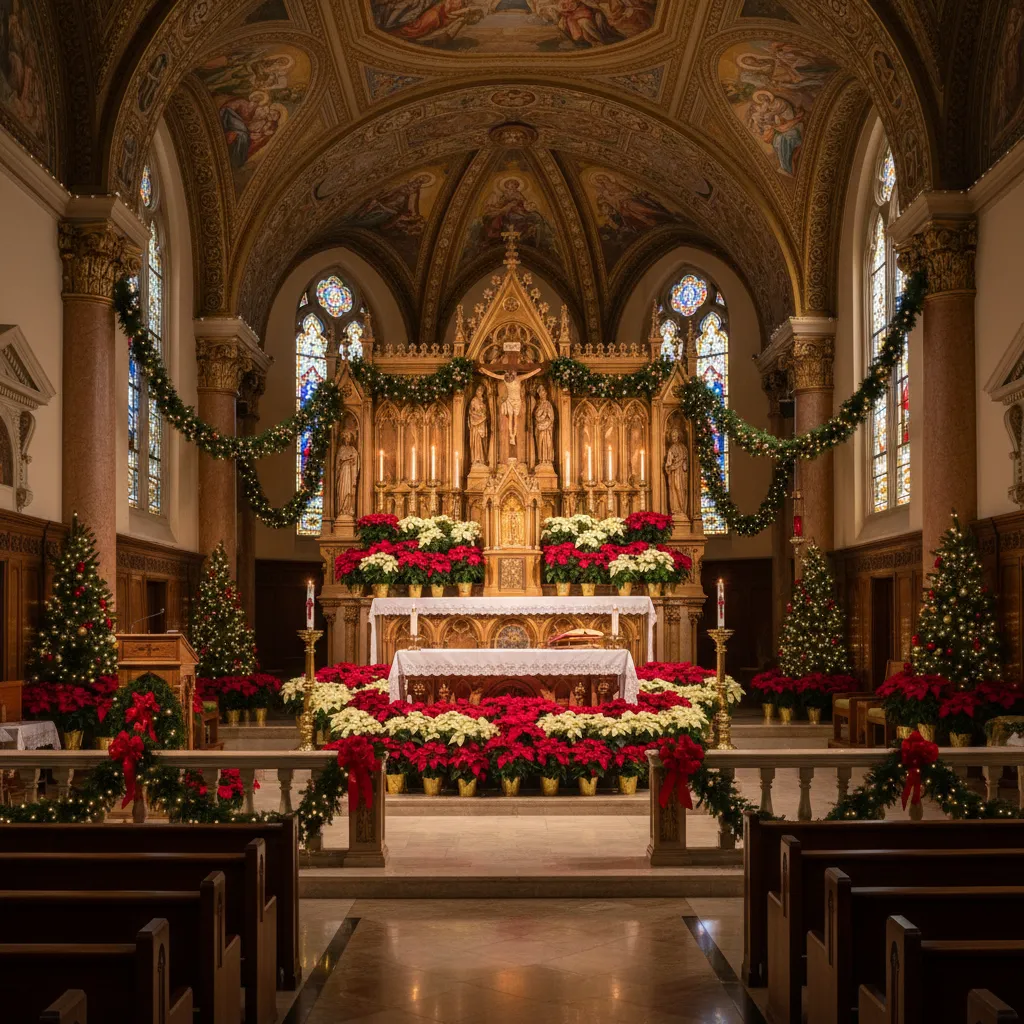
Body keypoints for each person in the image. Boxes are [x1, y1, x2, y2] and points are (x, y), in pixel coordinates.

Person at [664, 427, 689, 515]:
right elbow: (668, 463)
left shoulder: (684, 448)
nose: (673, 438)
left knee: (682, 489)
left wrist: (684, 463)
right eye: (672, 436)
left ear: (678, 436)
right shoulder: (671, 448)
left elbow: (687, 461)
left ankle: (682, 510)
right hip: (674, 473)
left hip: (682, 473)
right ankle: (676, 510)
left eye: (675, 436)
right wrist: (669, 467)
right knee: (675, 489)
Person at [533, 384, 555, 463]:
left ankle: (547, 460)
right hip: (539, 428)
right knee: (540, 443)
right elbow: (535, 415)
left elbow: (551, 417)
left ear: (546, 393)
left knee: (547, 443)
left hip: (547, 428)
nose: (542, 394)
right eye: (540, 393)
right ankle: (541, 460)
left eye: (543, 392)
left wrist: (546, 423)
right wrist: (539, 421)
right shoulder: (538, 404)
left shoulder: (548, 404)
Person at [468, 384, 490, 464]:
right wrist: (481, 417)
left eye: (481, 390)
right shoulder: (474, 400)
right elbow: (471, 412)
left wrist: (484, 416)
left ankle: (482, 459)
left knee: (483, 441)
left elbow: (485, 412)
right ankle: (477, 459)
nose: (479, 392)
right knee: (477, 441)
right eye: (478, 390)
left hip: (483, 425)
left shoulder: (483, 401)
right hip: (476, 425)